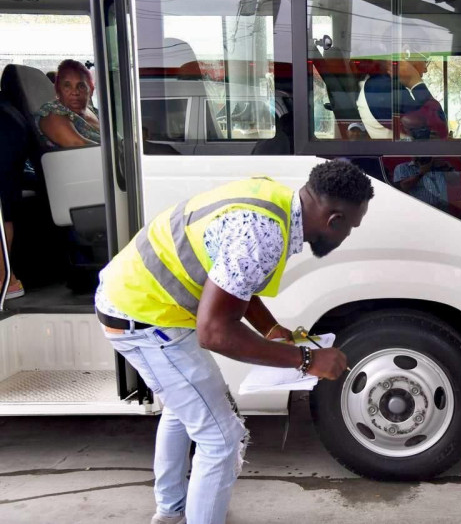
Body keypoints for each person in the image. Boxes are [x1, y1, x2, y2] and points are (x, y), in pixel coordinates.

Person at [94, 160, 373, 524]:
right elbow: (215, 333)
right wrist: (306, 360)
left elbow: (232, 279)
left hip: (136, 302)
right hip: (145, 319)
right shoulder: (263, 235)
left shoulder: (273, 198)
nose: (347, 236)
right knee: (222, 439)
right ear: (334, 221)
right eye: (350, 228)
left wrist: (271, 329)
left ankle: (171, 511)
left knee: (184, 408)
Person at [0, 97, 32, 299]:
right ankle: (6, 278)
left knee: (3, 209)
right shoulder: (9, 109)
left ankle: (4, 278)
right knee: (5, 209)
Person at [35, 59, 101, 148]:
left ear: (91, 90)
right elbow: (77, 144)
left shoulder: (95, 112)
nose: (75, 92)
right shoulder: (51, 112)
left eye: (81, 86)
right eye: (67, 86)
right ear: (58, 90)